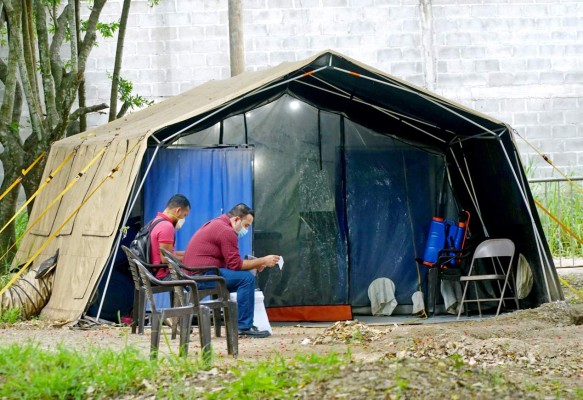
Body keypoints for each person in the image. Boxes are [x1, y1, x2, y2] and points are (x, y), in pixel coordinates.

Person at [182, 203, 280, 338]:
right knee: (246, 279)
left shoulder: (218, 224)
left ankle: (243, 323)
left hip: (194, 274)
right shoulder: (227, 231)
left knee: (243, 277)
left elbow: (230, 263)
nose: (245, 230)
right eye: (246, 226)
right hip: (201, 277)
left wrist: (254, 263)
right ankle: (244, 327)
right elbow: (235, 265)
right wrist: (262, 260)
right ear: (236, 219)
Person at [148, 194, 190, 311]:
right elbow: (166, 259)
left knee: (183, 277)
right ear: (178, 210)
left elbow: (169, 253)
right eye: (184, 215)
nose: (183, 219)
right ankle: (179, 319)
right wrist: (190, 258)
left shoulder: (156, 221)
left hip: (152, 271)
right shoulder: (166, 226)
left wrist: (188, 254)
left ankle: (176, 317)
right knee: (192, 282)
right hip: (161, 276)